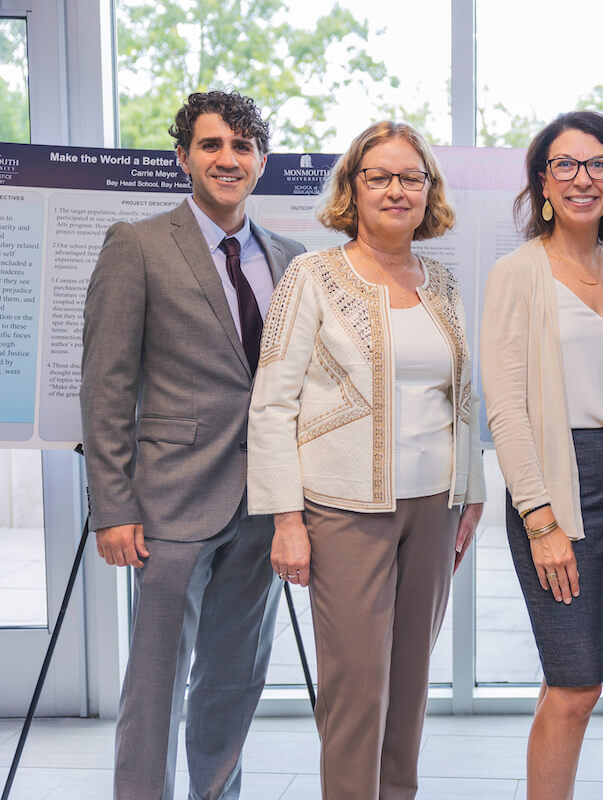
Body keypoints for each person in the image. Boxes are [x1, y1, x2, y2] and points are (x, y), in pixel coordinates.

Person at [246, 120, 484, 800]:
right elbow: (272, 404)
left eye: (412, 177)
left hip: (435, 508)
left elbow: (461, 397)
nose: (396, 189)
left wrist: (472, 492)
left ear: (428, 191)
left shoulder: (440, 280)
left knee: (410, 685)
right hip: (344, 509)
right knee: (357, 690)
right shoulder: (313, 275)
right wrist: (286, 518)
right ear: (352, 186)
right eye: (378, 176)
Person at [80, 90, 305, 800]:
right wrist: (112, 506)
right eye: (211, 146)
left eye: (241, 148)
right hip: (169, 504)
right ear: (183, 157)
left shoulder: (293, 261)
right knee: (154, 687)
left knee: (234, 679)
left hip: (264, 505)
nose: (227, 159)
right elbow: (106, 386)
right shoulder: (137, 246)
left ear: (261, 162)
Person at [480, 110, 603, 799]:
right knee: (574, 683)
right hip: (557, 486)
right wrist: (540, 518)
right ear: (542, 183)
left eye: (597, 164)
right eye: (565, 165)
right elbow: (507, 408)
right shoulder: (517, 273)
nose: (582, 178)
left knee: (587, 679)